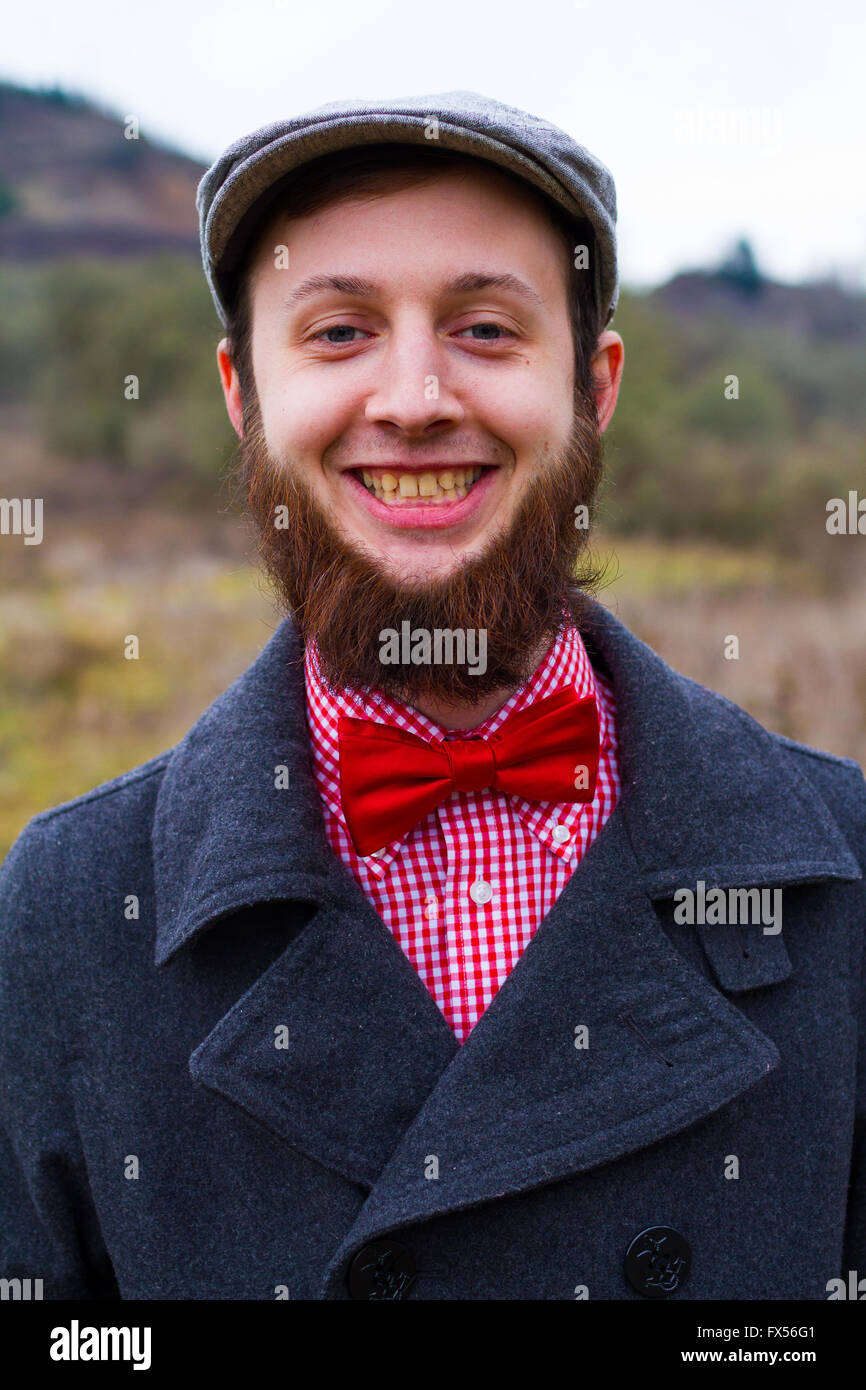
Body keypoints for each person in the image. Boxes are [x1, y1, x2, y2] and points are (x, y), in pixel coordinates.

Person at [1, 91, 864, 1302]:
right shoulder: (64, 912)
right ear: (243, 395)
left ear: (594, 388)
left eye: (485, 329)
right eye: (340, 332)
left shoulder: (845, 875)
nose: (412, 399)